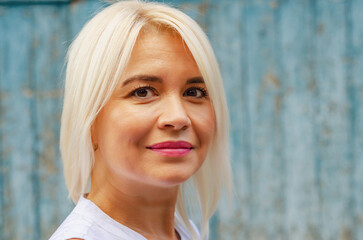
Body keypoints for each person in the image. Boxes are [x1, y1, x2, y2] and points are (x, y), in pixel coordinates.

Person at [49, 1, 232, 239]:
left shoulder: (183, 232)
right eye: (143, 92)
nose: (178, 117)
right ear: (90, 120)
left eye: (194, 92)